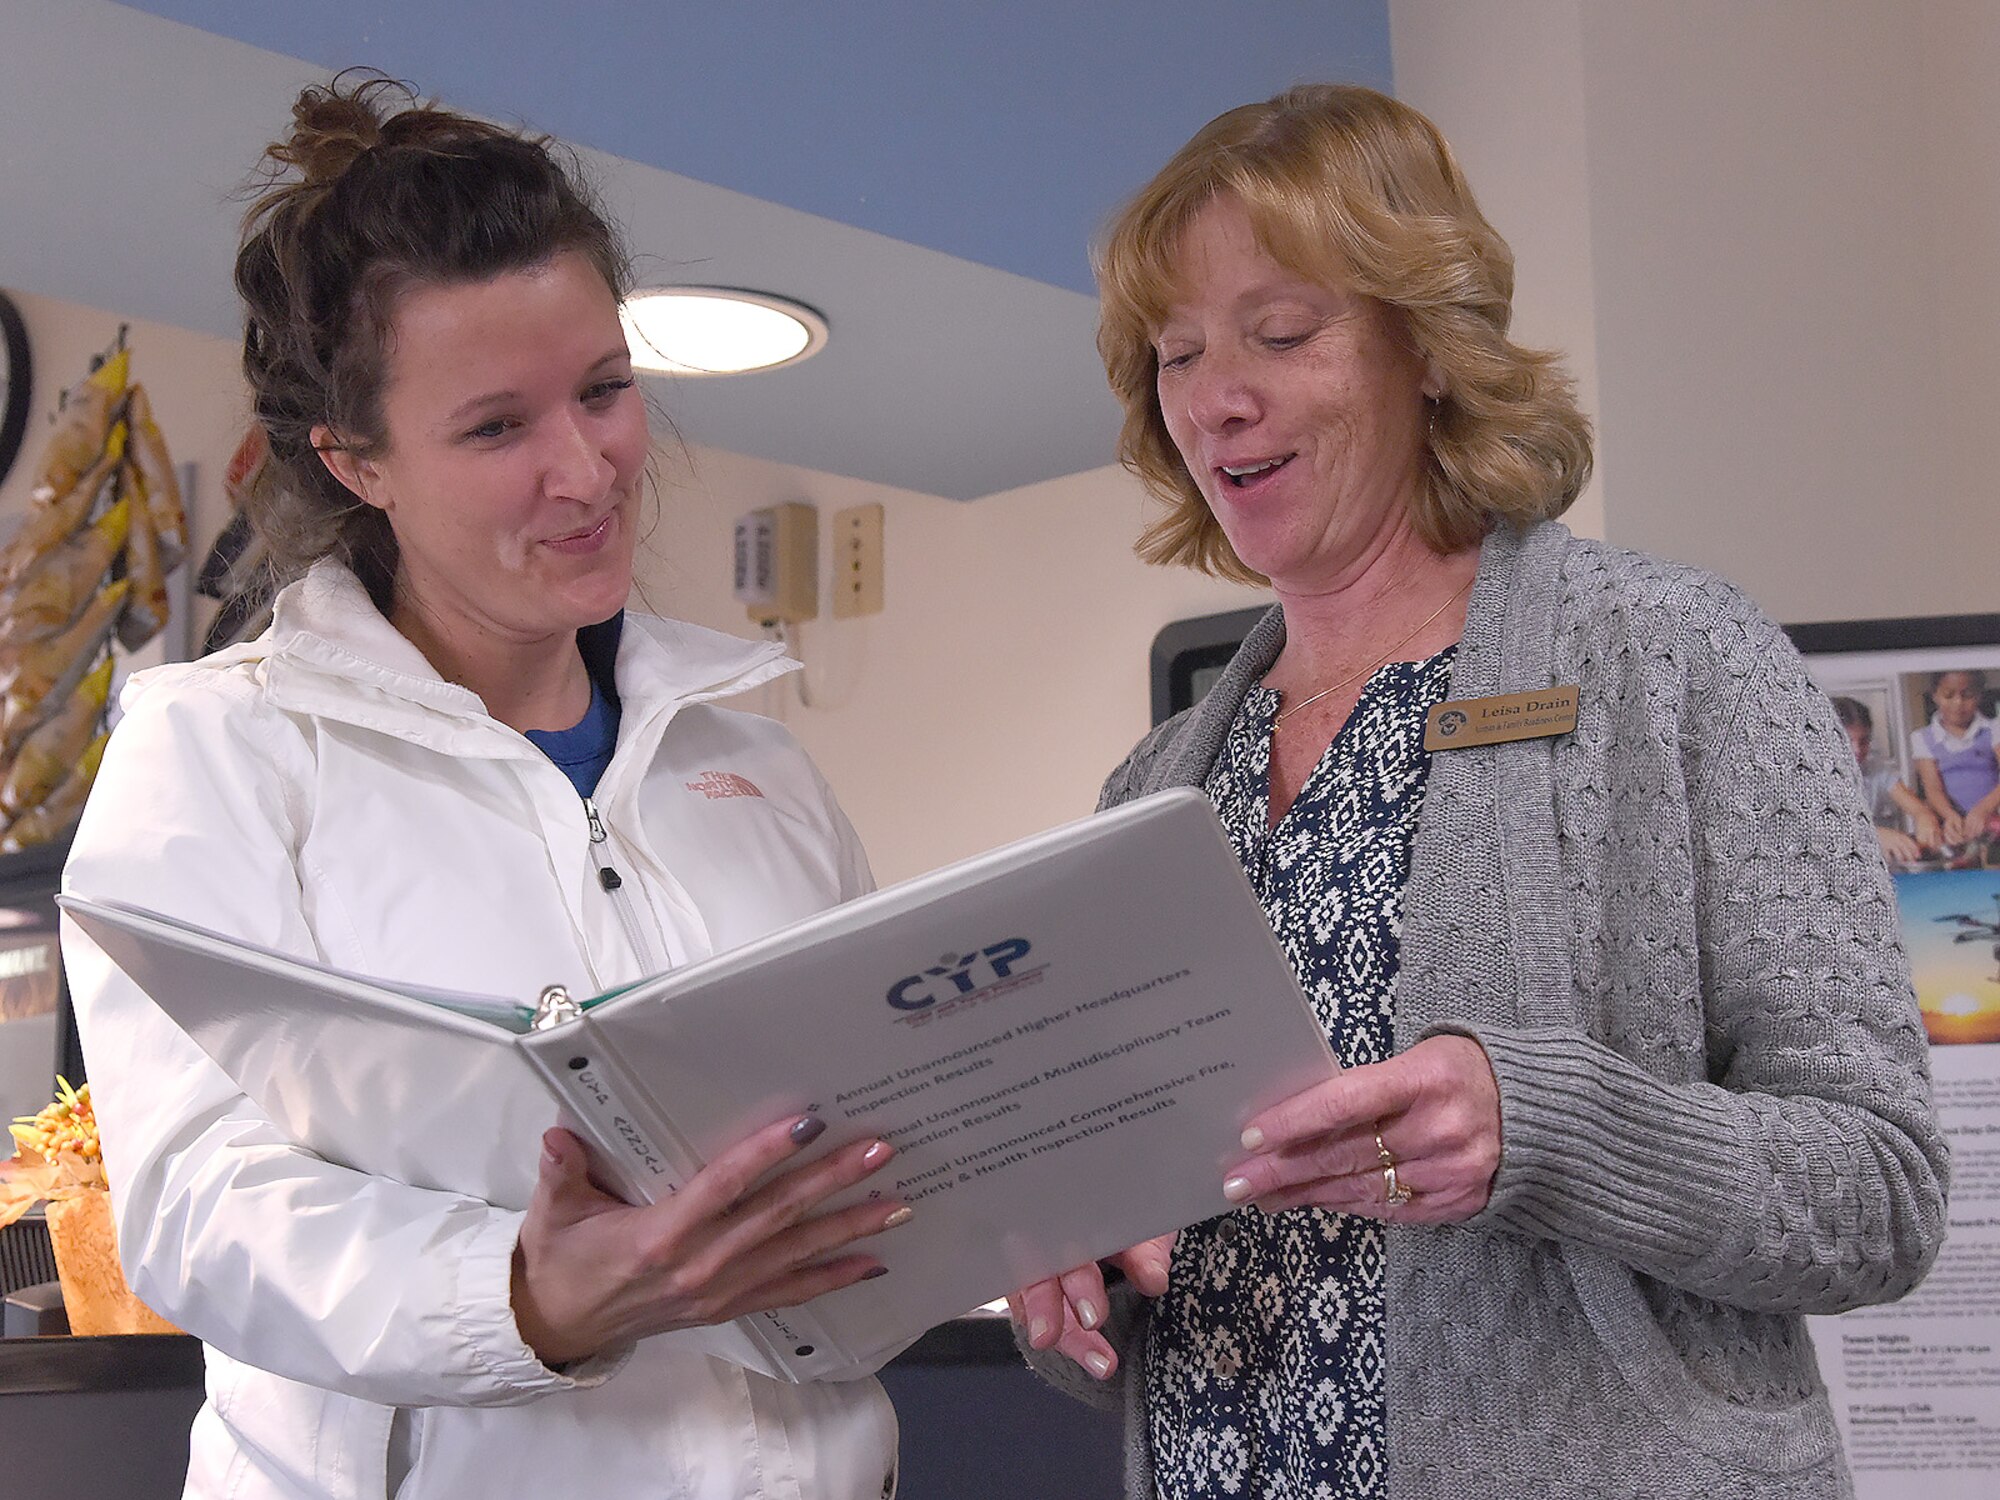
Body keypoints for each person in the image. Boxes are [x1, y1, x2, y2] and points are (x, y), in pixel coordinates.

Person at [1010, 84, 1947, 1499]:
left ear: (1427, 347)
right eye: (1178, 352)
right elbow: (1137, 1276)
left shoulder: (1673, 662)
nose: (1218, 397)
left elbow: (1878, 1190)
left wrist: (1547, 1125)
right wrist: (1065, 1258)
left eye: (1281, 332)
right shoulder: (1155, 788)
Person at [61, 76, 908, 1500]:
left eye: (602, 390)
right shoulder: (218, 750)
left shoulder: (748, 759)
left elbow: (885, 1112)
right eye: (497, 428)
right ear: (356, 461)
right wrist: (523, 1297)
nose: (585, 471)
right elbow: (198, 1207)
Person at [1831, 694, 1942, 865]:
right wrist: (1872, 834)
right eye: (1846, 741)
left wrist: (1926, 818)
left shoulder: (1877, 770)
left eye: (1864, 741)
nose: (1857, 750)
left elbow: (1918, 809)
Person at [1909, 668, 2000, 847]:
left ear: (1979, 695)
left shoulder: (1994, 729)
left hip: (1992, 818)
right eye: (1948, 696)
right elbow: (1933, 789)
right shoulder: (1922, 738)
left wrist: (1985, 808)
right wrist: (1950, 816)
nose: (1958, 703)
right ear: (1935, 695)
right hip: (1950, 822)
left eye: (1967, 695)